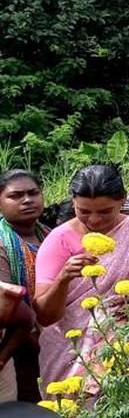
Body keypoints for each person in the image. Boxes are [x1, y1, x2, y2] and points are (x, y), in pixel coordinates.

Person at [34, 165, 129, 391]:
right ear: (73, 202)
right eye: (84, 211)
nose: (95, 220)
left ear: (123, 200)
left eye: (105, 211)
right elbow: (46, 316)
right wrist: (63, 278)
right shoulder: (59, 240)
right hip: (72, 354)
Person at [0, 170, 49, 402]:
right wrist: (41, 342)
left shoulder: (51, 236)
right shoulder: (2, 243)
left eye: (33, 193)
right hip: (21, 348)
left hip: (59, 340)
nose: (27, 200)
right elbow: (9, 304)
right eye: (16, 196)